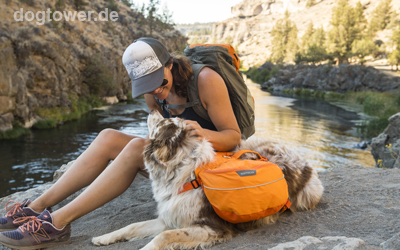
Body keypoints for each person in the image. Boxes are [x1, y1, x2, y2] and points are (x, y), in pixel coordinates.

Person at [0, 37, 242, 249]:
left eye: (161, 81)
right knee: (108, 136)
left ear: (170, 64)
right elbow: (159, 138)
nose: (156, 90)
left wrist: (201, 133)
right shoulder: (152, 88)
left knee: (137, 148)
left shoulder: (206, 80)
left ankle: (56, 224)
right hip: (181, 164)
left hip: (218, 163)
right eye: (148, 84)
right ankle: (35, 207)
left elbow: (233, 137)